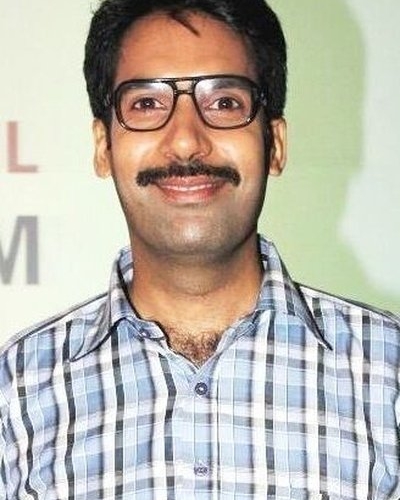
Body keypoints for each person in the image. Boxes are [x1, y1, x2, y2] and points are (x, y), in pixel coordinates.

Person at [1, 0, 399, 498]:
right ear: (104, 147)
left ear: (275, 144)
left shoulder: (388, 372)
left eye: (224, 103)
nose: (187, 142)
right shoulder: (17, 388)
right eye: (147, 104)